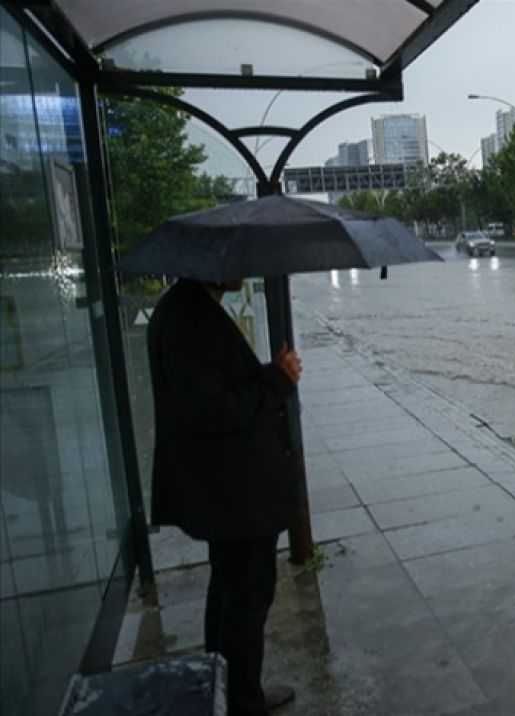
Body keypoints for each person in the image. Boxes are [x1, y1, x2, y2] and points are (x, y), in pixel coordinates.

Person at [147, 277, 301, 715]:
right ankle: (240, 703)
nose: (243, 267)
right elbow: (214, 410)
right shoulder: (189, 321)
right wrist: (277, 378)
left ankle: (227, 690)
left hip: (227, 492)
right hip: (234, 494)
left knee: (230, 592)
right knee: (246, 602)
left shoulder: (188, 309)